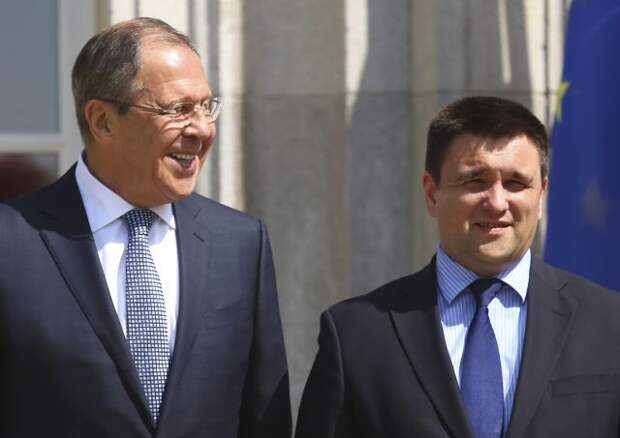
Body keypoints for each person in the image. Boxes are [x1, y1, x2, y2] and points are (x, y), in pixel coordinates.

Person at [0, 18, 291, 437]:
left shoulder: (241, 244)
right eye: (178, 110)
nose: (201, 129)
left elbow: (265, 420)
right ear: (102, 121)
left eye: (206, 107)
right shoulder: (11, 243)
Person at [295, 96, 620, 438]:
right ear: (432, 193)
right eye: (475, 181)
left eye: (515, 183)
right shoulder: (356, 335)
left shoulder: (610, 324)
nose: (497, 202)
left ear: (541, 195)